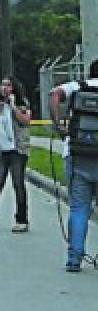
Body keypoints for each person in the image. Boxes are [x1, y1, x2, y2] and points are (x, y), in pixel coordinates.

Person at [49, 59, 98, 272]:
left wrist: (59, 125)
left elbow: (54, 94)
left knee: (79, 209)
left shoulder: (79, 86)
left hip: (78, 156)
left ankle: (74, 259)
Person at [0, 76, 32, 233]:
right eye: (2, 85)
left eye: (8, 85)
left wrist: (13, 106)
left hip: (18, 150)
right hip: (1, 151)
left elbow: (25, 121)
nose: (4, 88)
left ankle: (22, 220)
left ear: (14, 88)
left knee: (18, 184)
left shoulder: (22, 103)